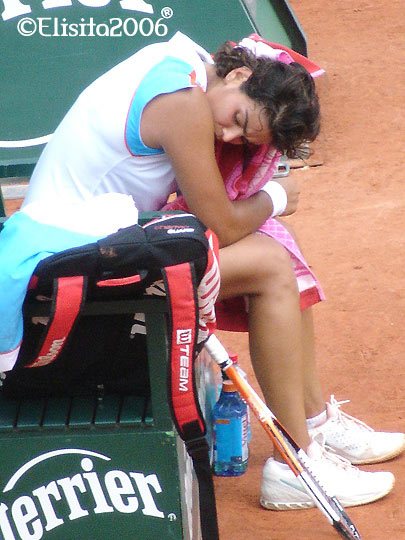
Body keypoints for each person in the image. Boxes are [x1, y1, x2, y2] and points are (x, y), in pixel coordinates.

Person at [1, 31, 403, 510]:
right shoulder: (183, 102)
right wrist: (276, 197)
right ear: (238, 74)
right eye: (237, 120)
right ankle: (296, 464)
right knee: (272, 266)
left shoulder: (183, 64)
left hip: (92, 248)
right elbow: (222, 223)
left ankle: (314, 421)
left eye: (242, 137)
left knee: (277, 250)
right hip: (64, 271)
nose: (229, 137)